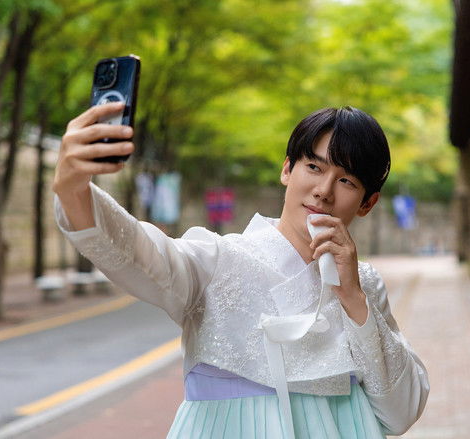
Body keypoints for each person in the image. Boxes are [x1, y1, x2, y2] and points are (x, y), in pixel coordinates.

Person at [53, 102, 429, 438]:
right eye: (313, 167)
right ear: (287, 169)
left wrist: (352, 297)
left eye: (346, 180)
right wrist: (73, 190)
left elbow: (401, 414)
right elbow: (142, 252)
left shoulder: (363, 285)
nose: (323, 191)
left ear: (368, 203)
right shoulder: (219, 259)